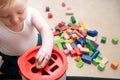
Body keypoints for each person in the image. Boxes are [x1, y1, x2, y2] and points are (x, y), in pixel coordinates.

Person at [0, 0, 53, 76]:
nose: (15, 20)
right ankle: (3, 65)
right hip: (13, 56)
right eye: (6, 16)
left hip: (35, 43)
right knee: (19, 73)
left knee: (50, 46)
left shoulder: (31, 13)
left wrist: (46, 47)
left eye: (20, 12)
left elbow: (44, 28)